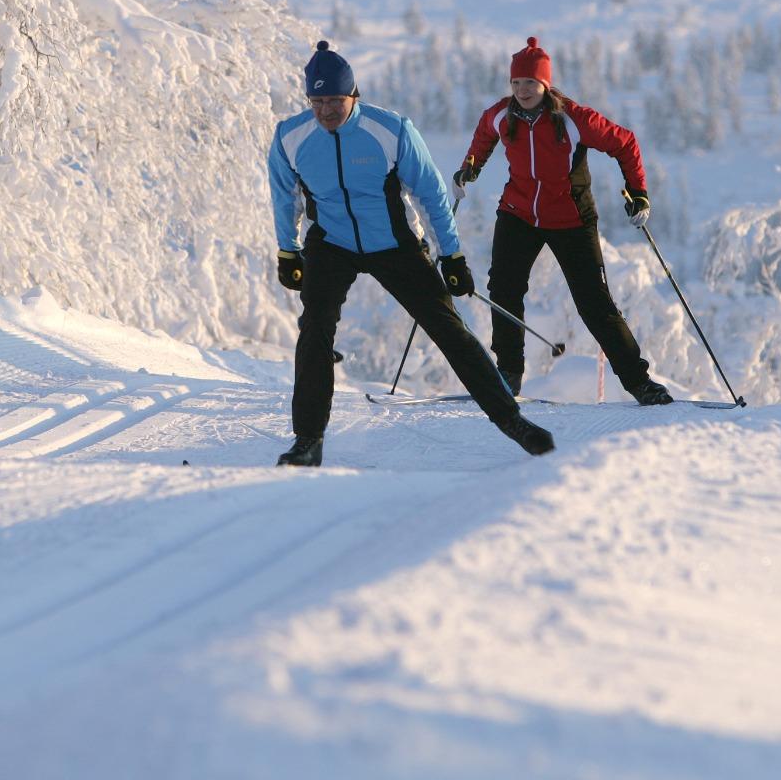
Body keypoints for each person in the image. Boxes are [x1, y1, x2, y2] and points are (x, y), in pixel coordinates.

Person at [269, 40, 555, 466]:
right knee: (314, 330)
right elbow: (284, 195)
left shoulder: (390, 130)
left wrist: (451, 255)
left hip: (393, 242)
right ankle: (308, 440)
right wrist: (288, 250)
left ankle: (513, 421)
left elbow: (431, 194)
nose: (326, 110)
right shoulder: (291, 137)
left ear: (354, 95)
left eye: (335, 100)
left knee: (447, 328)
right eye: (318, 100)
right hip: (331, 242)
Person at [454, 37, 673, 406]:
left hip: (571, 218)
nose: (522, 90)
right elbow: (484, 135)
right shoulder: (500, 115)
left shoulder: (574, 119)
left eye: (530, 83)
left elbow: (625, 143)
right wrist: (471, 166)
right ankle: (508, 375)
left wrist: (638, 192)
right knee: (503, 290)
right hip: (518, 213)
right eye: (516, 83)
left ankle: (639, 382)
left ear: (545, 84)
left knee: (594, 303)